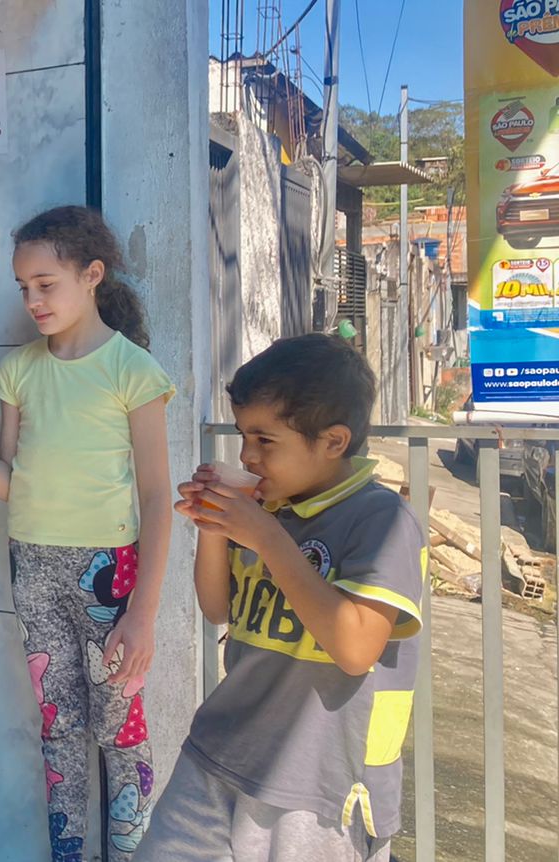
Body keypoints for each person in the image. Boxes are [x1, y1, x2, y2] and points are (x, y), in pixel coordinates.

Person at [0, 205, 174, 860]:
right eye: (23, 287)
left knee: (119, 729)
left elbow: (156, 499)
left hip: (110, 572)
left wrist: (141, 614)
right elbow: (15, 480)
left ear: (92, 276)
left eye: (46, 283)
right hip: (30, 566)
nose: (33, 299)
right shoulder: (18, 373)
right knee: (58, 729)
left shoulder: (132, 371)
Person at [140, 334, 426, 862]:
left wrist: (266, 538)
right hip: (219, 751)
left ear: (334, 442)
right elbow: (218, 607)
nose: (247, 455)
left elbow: (357, 647)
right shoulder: (270, 507)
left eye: (265, 441)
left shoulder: (382, 520)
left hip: (316, 788)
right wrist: (214, 526)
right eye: (243, 436)